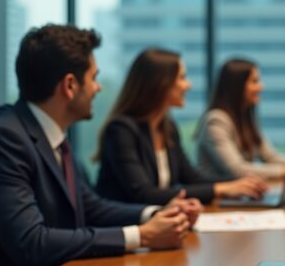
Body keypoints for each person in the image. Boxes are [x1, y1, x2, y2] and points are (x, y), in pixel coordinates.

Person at [0, 25, 200, 266]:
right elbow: (30, 243)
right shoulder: (3, 138)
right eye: (94, 78)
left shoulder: (50, 134)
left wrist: (157, 213)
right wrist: (142, 235)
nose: (98, 88)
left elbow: (91, 207)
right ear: (70, 85)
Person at [95, 49, 268, 206]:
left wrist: (238, 185)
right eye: (182, 78)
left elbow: (190, 177)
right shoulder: (121, 130)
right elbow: (144, 193)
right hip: (129, 230)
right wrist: (221, 189)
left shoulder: (167, 128)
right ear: (160, 84)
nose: (188, 85)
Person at [197, 58, 285, 179]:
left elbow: (269, 157)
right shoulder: (216, 121)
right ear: (237, 86)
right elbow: (238, 170)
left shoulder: (245, 118)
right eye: (254, 81)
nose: (261, 87)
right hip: (217, 202)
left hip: (239, 196)